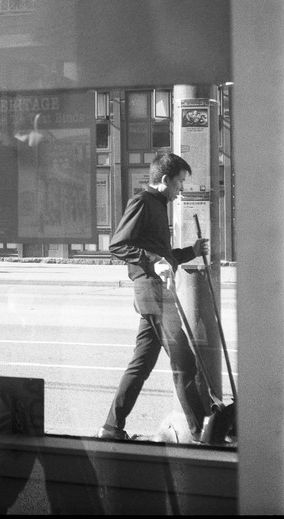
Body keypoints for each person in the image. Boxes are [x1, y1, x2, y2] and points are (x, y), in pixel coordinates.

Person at [97, 152, 209, 443]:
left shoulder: (158, 206)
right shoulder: (143, 202)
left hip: (156, 292)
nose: (180, 189)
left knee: (141, 364)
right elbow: (118, 244)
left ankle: (110, 428)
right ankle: (201, 433)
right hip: (152, 291)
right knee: (184, 362)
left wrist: (191, 252)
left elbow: (165, 256)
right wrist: (153, 259)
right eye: (179, 183)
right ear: (164, 180)